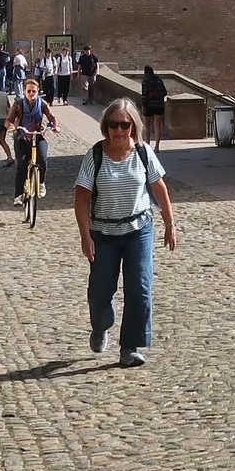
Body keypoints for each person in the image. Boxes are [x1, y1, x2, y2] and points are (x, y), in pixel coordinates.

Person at [75, 98, 179, 367]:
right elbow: (81, 198)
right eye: (114, 125)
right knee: (100, 291)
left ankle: (129, 347)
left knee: (140, 289)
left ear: (133, 126)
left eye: (125, 125)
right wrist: (85, 237)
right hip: (104, 233)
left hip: (138, 230)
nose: (119, 131)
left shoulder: (143, 153)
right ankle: (100, 326)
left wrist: (169, 223)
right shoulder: (95, 155)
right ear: (105, 126)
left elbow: (158, 188)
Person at [9, 75, 53, 205]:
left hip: (38, 135)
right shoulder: (18, 104)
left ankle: (41, 183)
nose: (31, 93)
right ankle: (18, 196)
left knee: (43, 159)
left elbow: (51, 117)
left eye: (34, 91)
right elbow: (8, 120)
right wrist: (11, 126)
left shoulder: (42, 104)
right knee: (22, 165)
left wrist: (55, 125)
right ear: (24, 91)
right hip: (22, 136)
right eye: (29, 91)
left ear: (38, 91)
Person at [140, 65, 170, 143]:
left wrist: (143, 105)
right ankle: (157, 146)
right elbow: (165, 92)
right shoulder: (159, 80)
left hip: (148, 106)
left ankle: (147, 145)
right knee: (157, 126)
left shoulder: (145, 81)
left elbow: (144, 95)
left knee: (147, 126)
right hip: (159, 105)